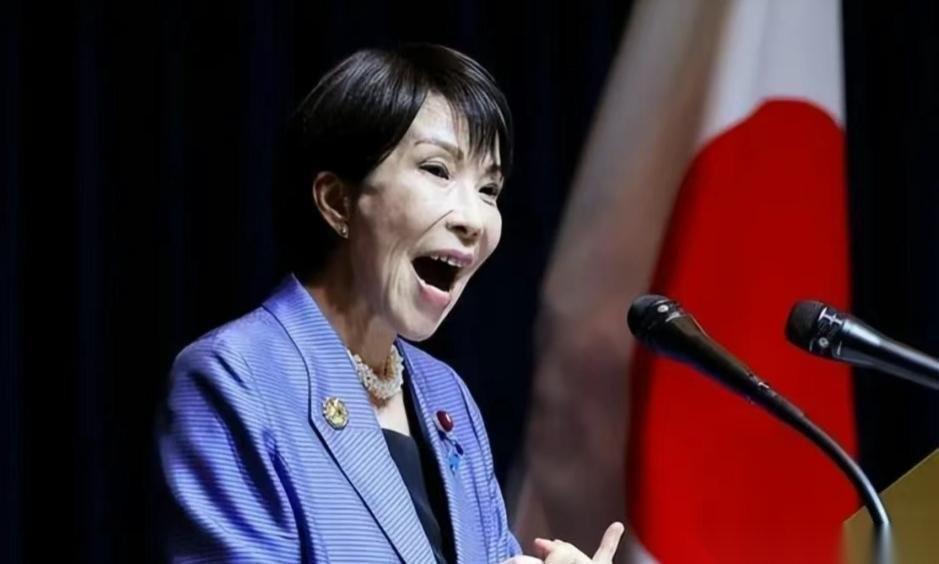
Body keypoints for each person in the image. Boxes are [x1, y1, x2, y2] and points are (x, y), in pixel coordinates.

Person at [157, 43, 623, 563]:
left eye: (489, 188)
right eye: (438, 170)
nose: (474, 219)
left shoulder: (448, 398)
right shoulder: (235, 378)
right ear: (337, 201)